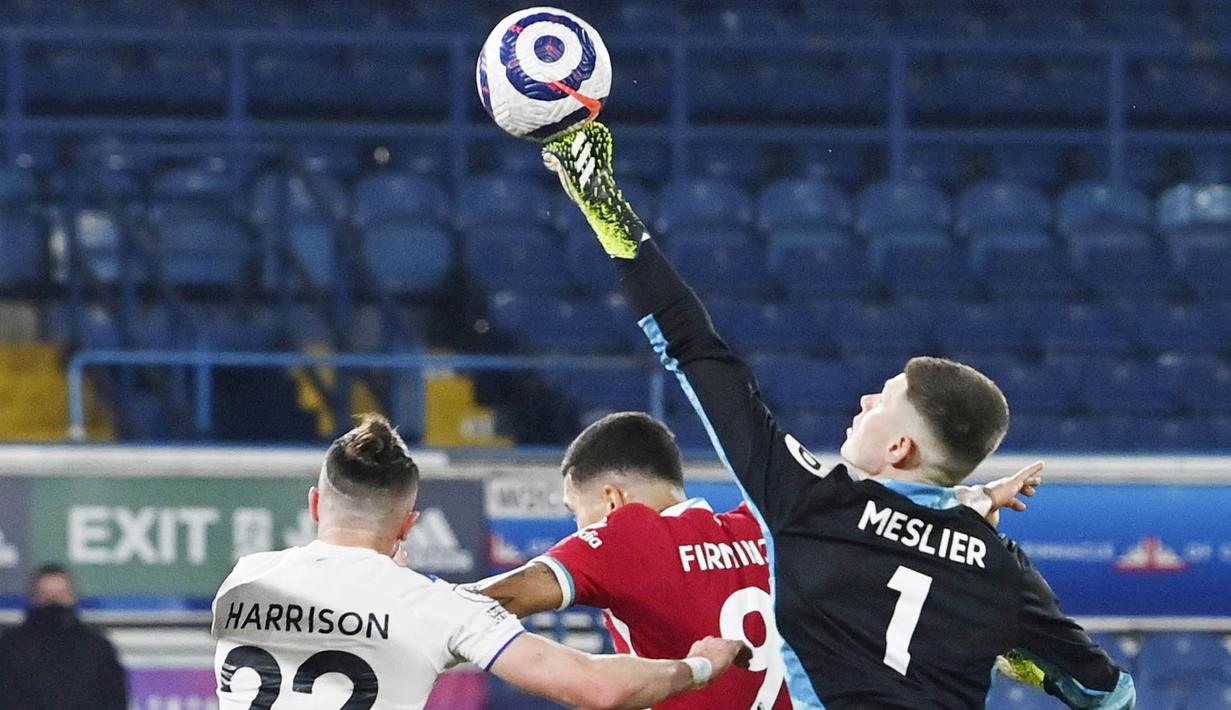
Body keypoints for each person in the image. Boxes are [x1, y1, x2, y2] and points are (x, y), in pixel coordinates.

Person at [539, 121, 1135, 710]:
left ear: (901, 448)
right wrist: (1025, 654)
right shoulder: (1001, 570)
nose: (865, 404)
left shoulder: (811, 504)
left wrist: (606, 207)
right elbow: (1109, 694)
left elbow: (697, 350)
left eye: (883, 399)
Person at [479, 411, 1044, 710]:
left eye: (575, 511)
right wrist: (971, 499)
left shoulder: (625, 537)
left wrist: (407, 601)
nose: (577, 528)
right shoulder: (770, 523)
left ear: (611, 499)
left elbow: (502, 600)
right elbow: (888, 518)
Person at [211, 413, 746, 710]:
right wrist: (700, 665)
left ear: (314, 504)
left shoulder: (241, 583)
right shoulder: (429, 608)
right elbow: (595, 687)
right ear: (408, 525)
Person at [0, 564, 128, 710]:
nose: (54, 600)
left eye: (60, 594)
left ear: (73, 596)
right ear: (34, 598)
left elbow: (114, 700)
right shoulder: (10, 647)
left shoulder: (97, 648)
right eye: (46, 594)